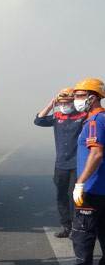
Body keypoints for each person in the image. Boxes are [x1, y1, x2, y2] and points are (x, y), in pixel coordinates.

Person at [58, 78, 105, 265]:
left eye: (79, 95)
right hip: (101, 188)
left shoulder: (96, 121)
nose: (76, 99)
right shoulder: (97, 119)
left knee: (82, 233)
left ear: (92, 97)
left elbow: (96, 153)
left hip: (91, 188)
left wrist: (80, 182)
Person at [34, 88, 87, 238]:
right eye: (61, 102)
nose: (64, 105)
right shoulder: (57, 116)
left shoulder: (83, 116)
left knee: (74, 197)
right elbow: (38, 120)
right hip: (61, 164)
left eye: (67, 102)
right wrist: (52, 104)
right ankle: (66, 227)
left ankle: (78, 228)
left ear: (73, 102)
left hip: (77, 164)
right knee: (61, 196)